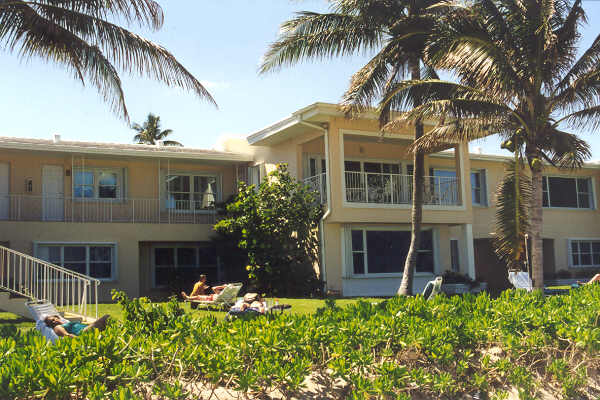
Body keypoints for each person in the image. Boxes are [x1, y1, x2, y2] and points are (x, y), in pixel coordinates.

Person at [43, 314, 110, 338]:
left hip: (86, 329)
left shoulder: (66, 323)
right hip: (82, 333)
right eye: (51, 322)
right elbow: (66, 335)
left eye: (54, 319)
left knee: (109, 322)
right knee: (106, 317)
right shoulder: (57, 327)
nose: (54, 321)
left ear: (58, 317)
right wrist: (79, 340)